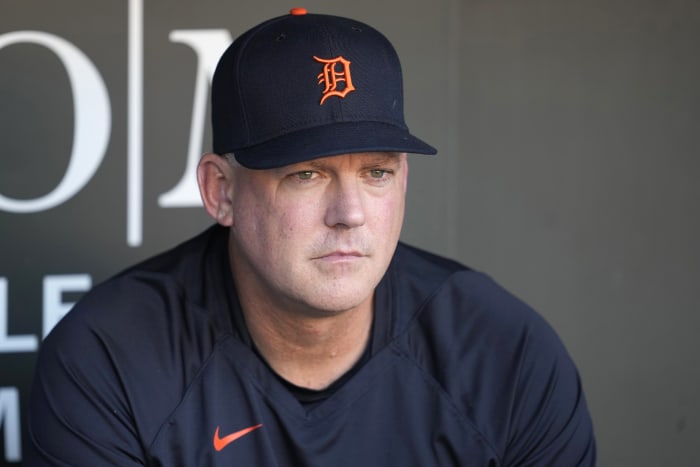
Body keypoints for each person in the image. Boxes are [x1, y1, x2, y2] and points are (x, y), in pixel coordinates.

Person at [26, 8, 596, 466]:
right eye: (306, 173)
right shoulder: (108, 359)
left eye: (377, 173)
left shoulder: (506, 355)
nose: (350, 213)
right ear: (220, 191)